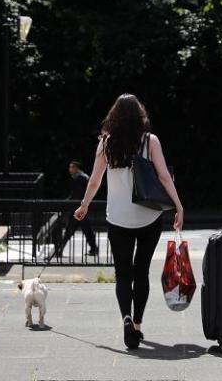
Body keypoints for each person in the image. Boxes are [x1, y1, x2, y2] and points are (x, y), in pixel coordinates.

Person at [74, 94, 184, 350]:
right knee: (142, 271)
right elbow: (165, 177)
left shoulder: (106, 143)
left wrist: (84, 205)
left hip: (119, 218)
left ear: (114, 115)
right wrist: (178, 205)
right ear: (140, 115)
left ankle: (125, 316)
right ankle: (136, 324)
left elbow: (94, 181)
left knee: (122, 274)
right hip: (148, 215)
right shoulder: (150, 141)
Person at [51, 161, 99, 257]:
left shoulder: (80, 179)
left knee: (71, 230)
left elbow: (77, 195)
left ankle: (59, 250)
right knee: (84, 230)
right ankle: (94, 249)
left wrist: (68, 203)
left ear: (77, 168)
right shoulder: (80, 177)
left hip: (78, 208)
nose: (70, 169)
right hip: (79, 208)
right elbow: (75, 194)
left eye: (72, 167)